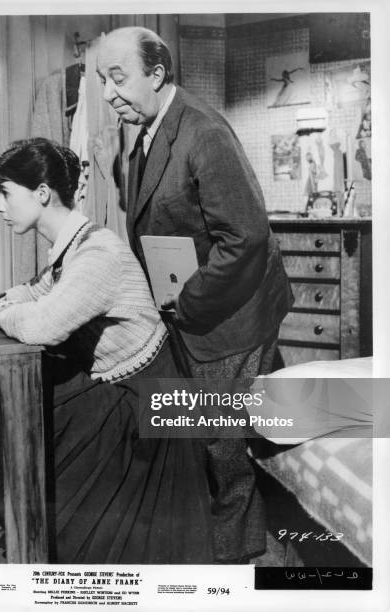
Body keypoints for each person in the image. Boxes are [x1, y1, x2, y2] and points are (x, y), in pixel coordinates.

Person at [0, 137, 214, 564]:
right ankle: (23, 521)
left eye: (4, 193)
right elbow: (42, 289)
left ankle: (28, 528)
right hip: (123, 391)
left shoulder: (99, 253)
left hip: (144, 411)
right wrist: (0, 295)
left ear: (41, 193)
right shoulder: (77, 243)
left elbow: (42, 324)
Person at [97, 26, 293, 563]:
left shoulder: (202, 131)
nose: (108, 92)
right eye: (101, 81)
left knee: (221, 443)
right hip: (194, 308)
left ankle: (232, 561)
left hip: (231, 311)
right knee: (221, 428)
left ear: (157, 74)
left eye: (118, 77)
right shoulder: (145, 134)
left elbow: (246, 237)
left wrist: (186, 303)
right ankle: (237, 540)